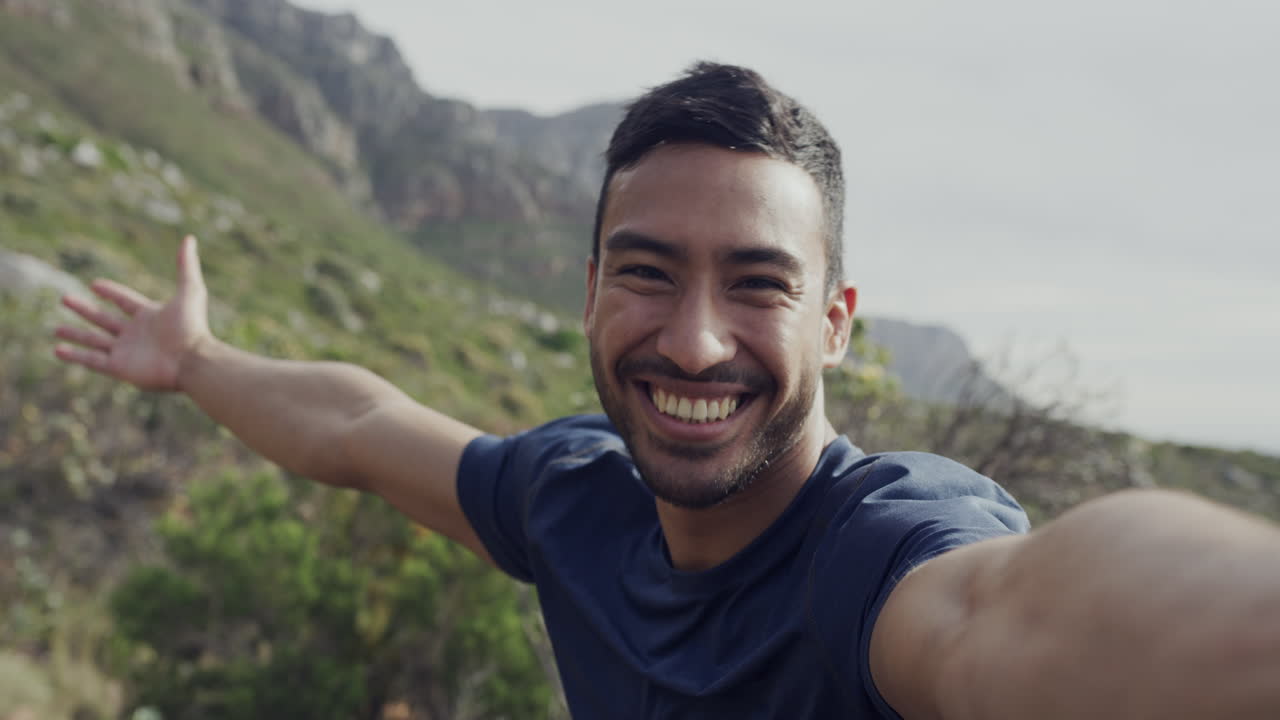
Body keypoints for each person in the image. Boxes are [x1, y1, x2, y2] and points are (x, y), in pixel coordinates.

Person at [54, 62, 1280, 719]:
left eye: (757, 284)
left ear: (835, 324)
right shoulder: (576, 498)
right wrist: (198, 363)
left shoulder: (875, 560)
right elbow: (363, 428)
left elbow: (1010, 613)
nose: (694, 344)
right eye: (647, 273)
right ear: (590, 289)